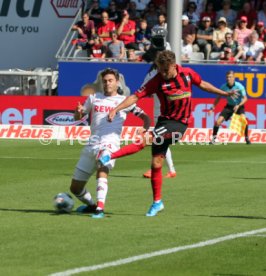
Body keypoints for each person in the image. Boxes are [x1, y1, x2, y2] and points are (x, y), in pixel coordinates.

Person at [99, 50, 236, 217]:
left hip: (180, 124)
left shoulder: (187, 74)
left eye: (165, 70)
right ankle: (157, 202)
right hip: (164, 122)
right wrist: (116, 108)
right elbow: (135, 97)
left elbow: (204, 84)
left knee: (146, 139)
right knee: (156, 163)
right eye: (159, 69)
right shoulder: (156, 80)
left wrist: (224, 94)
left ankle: (109, 156)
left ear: (173, 66)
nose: (162, 73)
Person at [70, 68, 150, 219]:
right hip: (91, 144)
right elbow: (77, 117)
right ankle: (92, 206)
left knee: (102, 166)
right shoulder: (94, 98)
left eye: (110, 80)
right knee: (75, 188)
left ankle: (100, 208)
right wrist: (78, 111)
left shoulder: (123, 101)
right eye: (105, 81)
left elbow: (146, 117)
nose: (107, 83)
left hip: (110, 144)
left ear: (117, 82)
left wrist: (144, 129)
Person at [209, 70, 251, 145]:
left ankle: (247, 138)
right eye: (227, 77)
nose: (228, 78)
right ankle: (213, 139)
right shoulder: (223, 87)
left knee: (244, 120)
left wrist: (238, 105)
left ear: (234, 78)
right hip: (229, 106)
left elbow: (245, 98)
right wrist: (212, 108)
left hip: (239, 106)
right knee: (218, 122)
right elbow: (218, 98)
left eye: (230, 77)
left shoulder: (239, 86)